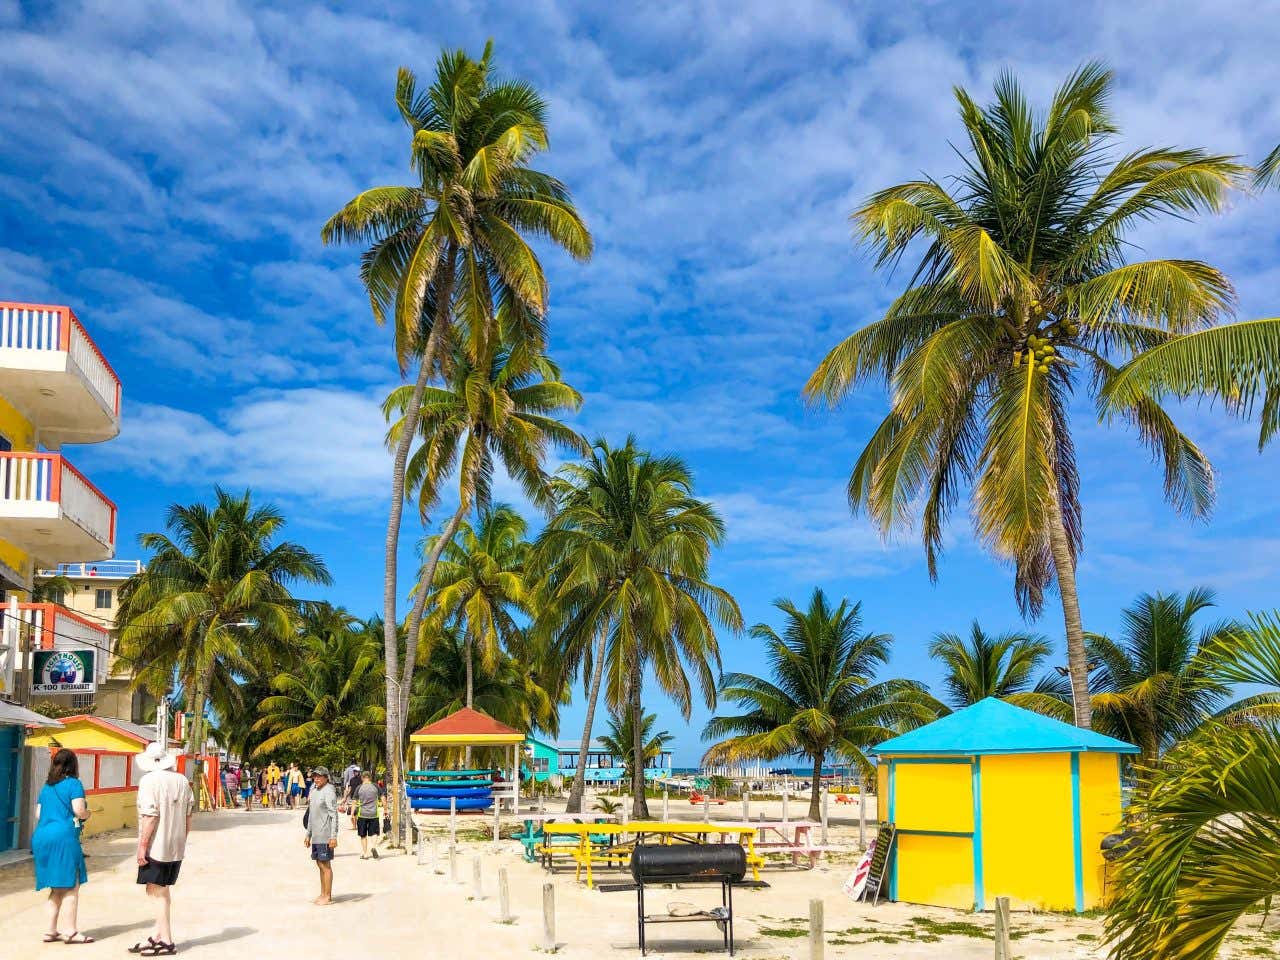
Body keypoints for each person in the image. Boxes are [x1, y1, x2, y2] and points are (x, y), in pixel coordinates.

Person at [131, 742, 194, 956]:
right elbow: (188, 816)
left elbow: (150, 816)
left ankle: (166, 940)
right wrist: (182, 840)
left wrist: (142, 847)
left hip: (157, 844)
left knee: (156, 890)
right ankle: (157, 934)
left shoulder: (149, 781)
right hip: (176, 844)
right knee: (161, 888)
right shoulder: (183, 781)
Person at [31, 748, 93, 945]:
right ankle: (71, 932)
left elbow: (38, 815)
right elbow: (78, 810)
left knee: (56, 887)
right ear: (73, 764)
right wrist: (87, 814)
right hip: (63, 838)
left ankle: (50, 931)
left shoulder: (46, 787)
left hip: (42, 836)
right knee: (71, 887)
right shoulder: (74, 784)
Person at [304, 766, 338, 905]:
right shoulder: (314, 791)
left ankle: (328, 896)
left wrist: (333, 836)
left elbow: (334, 815)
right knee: (319, 864)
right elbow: (311, 815)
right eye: (315, 776)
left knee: (325, 865)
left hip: (325, 834)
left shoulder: (328, 791)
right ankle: (322, 893)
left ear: (326, 777)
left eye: (319, 776)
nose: (316, 778)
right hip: (316, 834)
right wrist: (308, 835)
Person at [353, 771, 381, 860]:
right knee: (374, 833)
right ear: (370, 777)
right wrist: (386, 810)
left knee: (363, 835)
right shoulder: (376, 786)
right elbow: (383, 798)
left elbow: (354, 801)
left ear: (362, 778)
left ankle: (365, 854)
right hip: (374, 814)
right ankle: (373, 847)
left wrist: (352, 814)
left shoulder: (359, 787)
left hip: (362, 814)